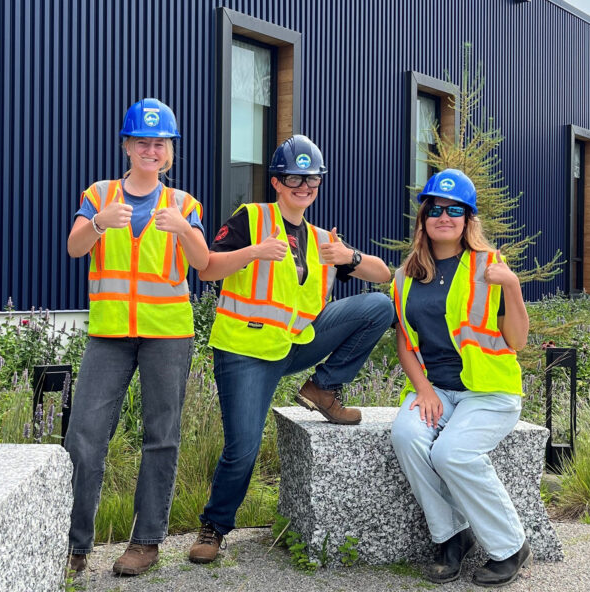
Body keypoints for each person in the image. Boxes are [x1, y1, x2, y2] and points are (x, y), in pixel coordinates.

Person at [187, 134, 395, 564]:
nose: (305, 186)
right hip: (245, 351)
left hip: (296, 343)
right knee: (242, 449)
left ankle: (322, 388)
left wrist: (348, 256)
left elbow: (385, 275)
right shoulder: (251, 218)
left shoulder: (321, 238)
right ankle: (214, 526)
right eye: (295, 177)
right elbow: (207, 268)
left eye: (313, 179)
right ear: (278, 182)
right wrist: (253, 252)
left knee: (378, 306)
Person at [64, 98, 210, 577]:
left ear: (169, 152)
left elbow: (202, 263)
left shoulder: (184, 204)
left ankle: (145, 542)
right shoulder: (99, 194)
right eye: (142, 141)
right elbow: (74, 247)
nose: (151, 149)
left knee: (160, 436)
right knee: (83, 436)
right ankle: (75, 544)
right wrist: (99, 223)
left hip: (167, 335)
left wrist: (183, 233)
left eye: (160, 143)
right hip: (109, 335)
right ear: (127, 146)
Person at [388, 169, 531, 588]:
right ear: (424, 219)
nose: (444, 217)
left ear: (468, 219)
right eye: (435, 209)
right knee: (407, 436)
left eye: (455, 210)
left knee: (452, 453)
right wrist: (424, 389)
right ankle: (452, 537)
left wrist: (515, 287)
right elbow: (405, 344)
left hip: (489, 393)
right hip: (439, 391)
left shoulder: (491, 267)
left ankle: (510, 546)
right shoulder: (405, 276)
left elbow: (517, 341)